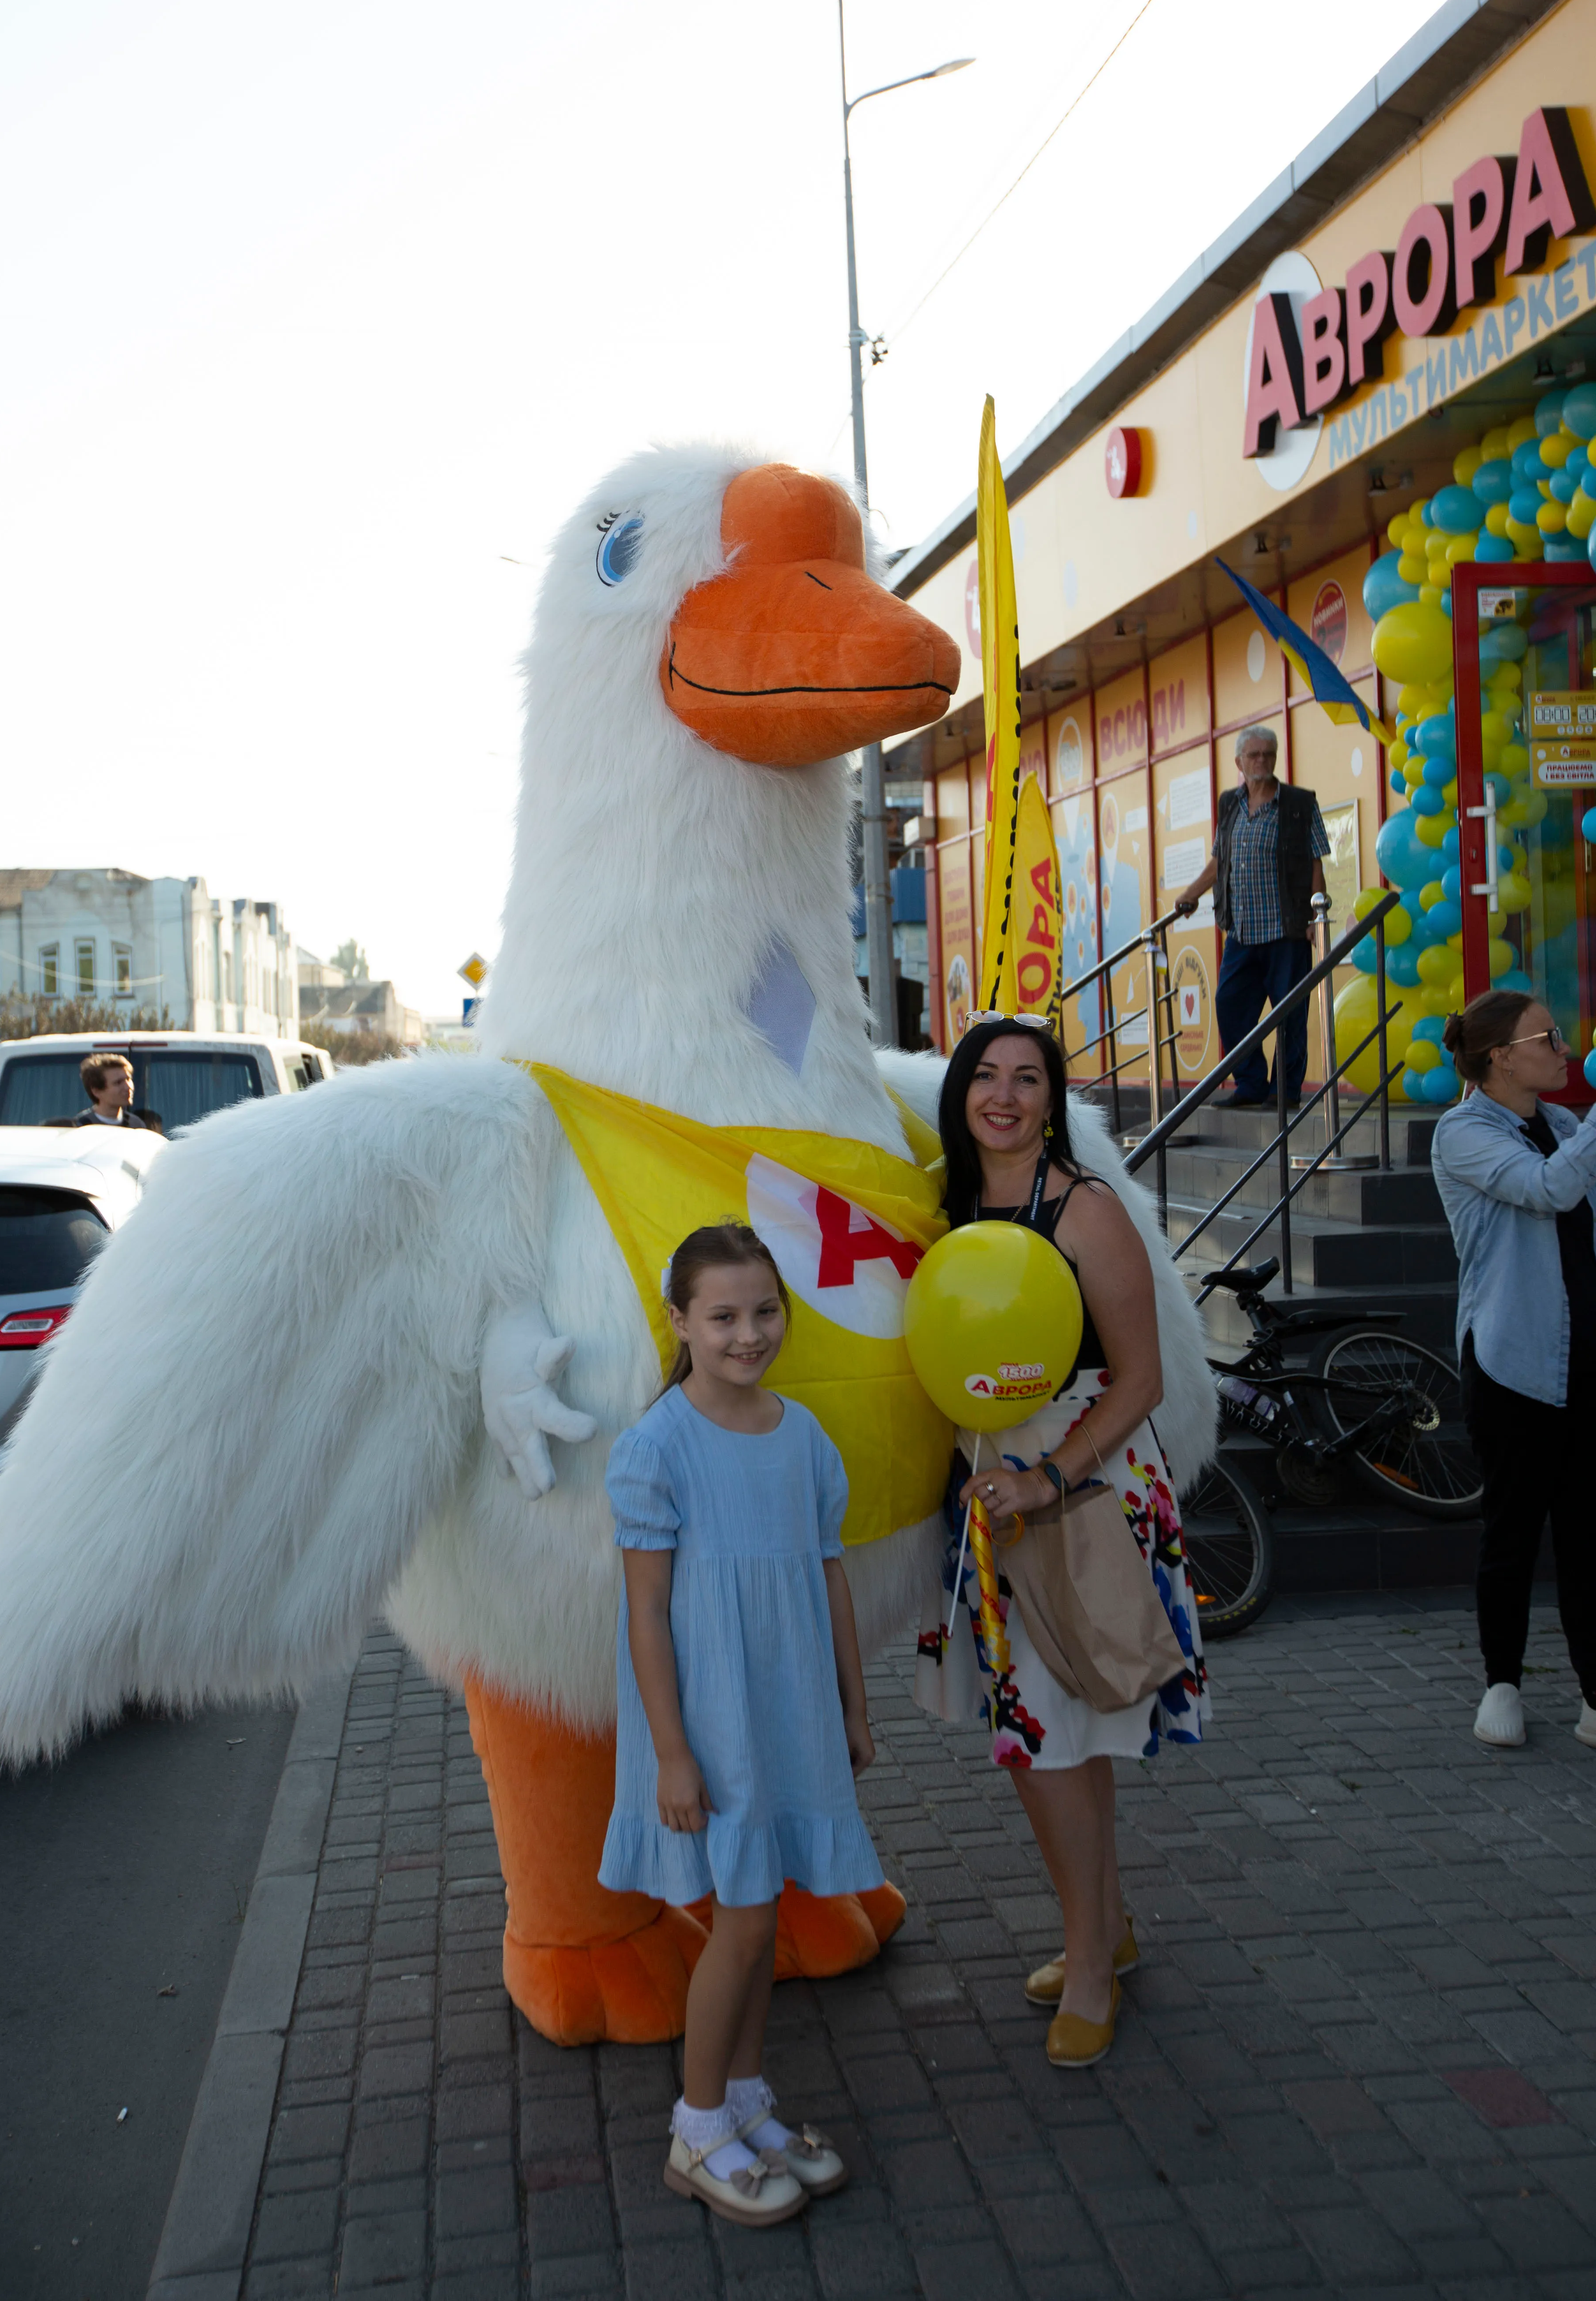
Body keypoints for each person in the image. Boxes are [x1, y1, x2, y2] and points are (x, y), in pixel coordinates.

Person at [913, 1018, 1207, 2069]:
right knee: (1034, 1740)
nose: (1002, 1094)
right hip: (983, 1501)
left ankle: (1091, 1963)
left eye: (1025, 1077)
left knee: (1055, 1735)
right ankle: (1103, 1927)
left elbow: (1140, 1380)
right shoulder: (942, 1205)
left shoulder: (1084, 1207)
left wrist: (1046, 1477)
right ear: (959, 1093)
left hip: (1076, 1494)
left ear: (1051, 1097)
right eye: (983, 1076)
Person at [599, 1221, 878, 2228]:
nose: (747, 1333)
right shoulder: (656, 1445)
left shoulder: (801, 1433)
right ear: (679, 1320)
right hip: (710, 1723)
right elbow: (642, 1612)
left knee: (765, 1912)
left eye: (765, 1310)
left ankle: (746, 2094)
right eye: (721, 1315)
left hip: (790, 1707)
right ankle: (696, 2122)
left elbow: (827, 1572)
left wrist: (849, 1701)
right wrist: (672, 1751)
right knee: (747, 1914)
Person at [1431, 992, 1596, 1752]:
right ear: (1502, 1056)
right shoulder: (1462, 1132)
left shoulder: (1564, 1126)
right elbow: (1548, 1189)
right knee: (1513, 1532)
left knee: (1588, 1537)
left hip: (1584, 1358)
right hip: (1514, 1363)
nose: (1565, 1048)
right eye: (1549, 1037)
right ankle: (1502, 1683)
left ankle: (1595, 1697)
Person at [1176, 726, 1329, 1108]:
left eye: (1268, 754)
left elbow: (1315, 863)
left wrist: (1316, 915)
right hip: (1242, 931)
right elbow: (1219, 860)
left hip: (1287, 929)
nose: (1262, 761)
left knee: (1290, 1016)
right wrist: (1192, 893)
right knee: (1230, 1005)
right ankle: (1250, 1085)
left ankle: (1285, 1093)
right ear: (1239, 762)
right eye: (1254, 755)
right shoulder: (1230, 804)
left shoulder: (1298, 803)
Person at [70, 1053, 164, 1134]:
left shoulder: (136, 1125)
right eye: (118, 1083)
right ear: (97, 1091)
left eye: (128, 1079)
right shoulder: (82, 1127)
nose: (128, 1087)